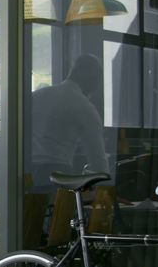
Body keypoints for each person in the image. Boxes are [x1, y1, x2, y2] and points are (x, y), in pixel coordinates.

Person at [30, 53, 109, 190]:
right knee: (58, 210)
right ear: (93, 80)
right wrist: (106, 193)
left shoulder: (37, 96)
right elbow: (98, 160)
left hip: (24, 172)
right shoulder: (85, 107)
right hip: (57, 174)